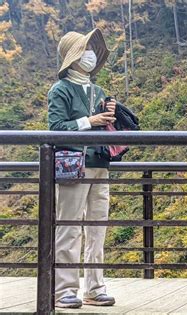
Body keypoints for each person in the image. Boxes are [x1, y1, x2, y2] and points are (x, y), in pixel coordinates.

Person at [48, 29, 116, 308]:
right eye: (84, 49)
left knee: (97, 227)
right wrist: (90, 120)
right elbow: (55, 128)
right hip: (72, 165)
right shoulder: (60, 89)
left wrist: (112, 115)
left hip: (100, 163)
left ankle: (94, 287)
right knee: (69, 227)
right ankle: (64, 289)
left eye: (90, 49)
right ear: (72, 56)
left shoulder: (98, 90)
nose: (89, 54)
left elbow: (105, 126)